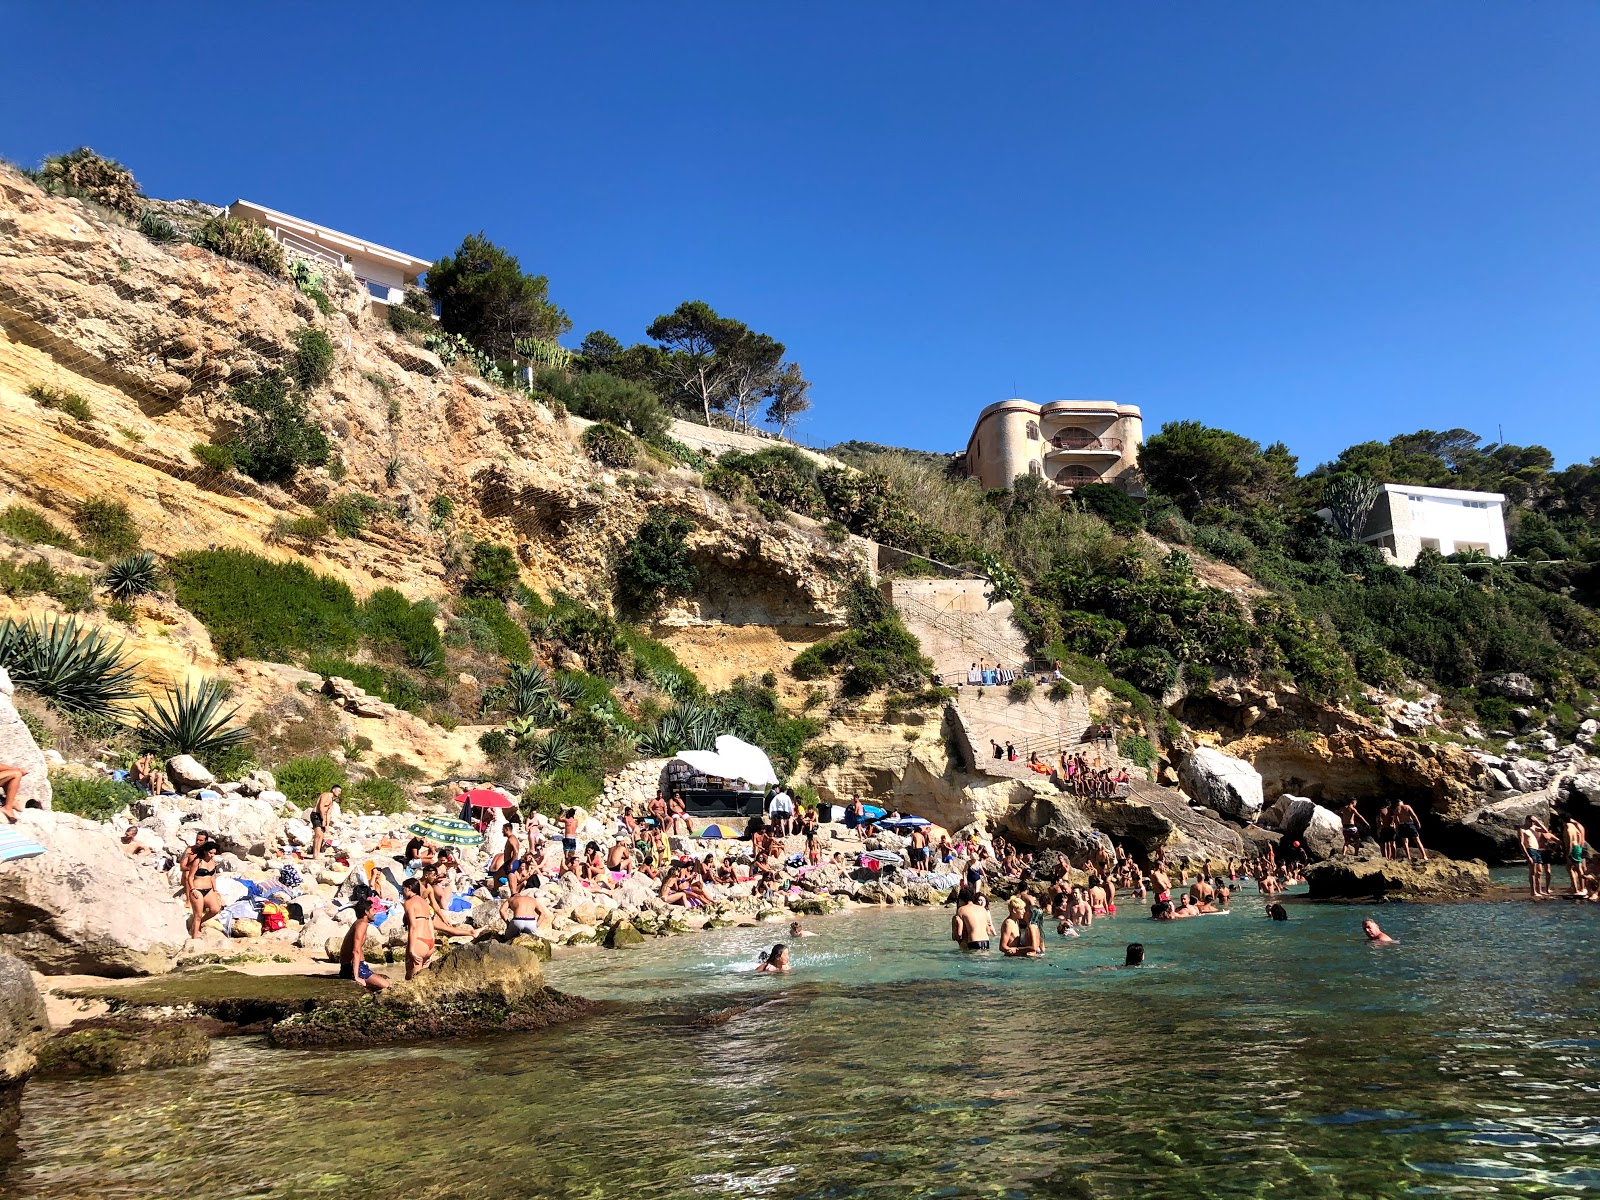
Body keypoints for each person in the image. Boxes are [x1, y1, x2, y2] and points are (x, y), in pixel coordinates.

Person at [339, 898, 390, 991]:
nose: (375, 912)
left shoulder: (359, 923)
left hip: (356, 966)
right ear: (366, 912)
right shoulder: (362, 924)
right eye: (373, 910)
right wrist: (356, 976)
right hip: (353, 967)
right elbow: (356, 951)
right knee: (387, 986)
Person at [184, 841, 223, 937]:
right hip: (197, 889)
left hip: (209, 889)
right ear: (205, 851)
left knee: (215, 909)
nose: (212, 855)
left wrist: (215, 890)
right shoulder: (198, 861)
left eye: (214, 853)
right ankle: (194, 936)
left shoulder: (213, 862)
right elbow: (190, 877)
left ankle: (198, 924)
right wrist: (192, 889)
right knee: (198, 914)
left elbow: (213, 876)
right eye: (210, 853)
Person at [401, 878, 435, 979]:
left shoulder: (409, 903)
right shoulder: (424, 902)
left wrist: (411, 950)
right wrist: (433, 944)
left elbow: (413, 926)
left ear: (409, 888)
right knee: (423, 979)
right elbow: (430, 924)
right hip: (429, 942)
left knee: (411, 979)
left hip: (418, 942)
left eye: (403, 888)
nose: (402, 892)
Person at [1520, 816, 1551, 899]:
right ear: (1526, 821)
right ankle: (1533, 891)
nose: (1532, 823)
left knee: (1539, 871)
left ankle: (1539, 890)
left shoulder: (1533, 827)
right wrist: (1527, 855)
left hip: (1537, 850)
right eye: (1531, 821)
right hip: (1530, 850)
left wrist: (1537, 821)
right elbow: (1521, 843)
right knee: (1533, 872)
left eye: (1533, 822)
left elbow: (1545, 831)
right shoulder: (1522, 829)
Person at [310, 784, 341, 859]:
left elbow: (329, 814)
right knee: (318, 834)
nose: (339, 793)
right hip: (316, 815)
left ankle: (317, 853)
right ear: (333, 790)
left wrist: (327, 825)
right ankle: (315, 854)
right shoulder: (326, 795)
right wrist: (323, 819)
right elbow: (321, 806)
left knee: (322, 836)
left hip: (322, 817)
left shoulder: (332, 801)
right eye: (339, 791)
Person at [1562, 815, 1589, 896]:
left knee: (1574, 868)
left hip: (1573, 848)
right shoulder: (1574, 826)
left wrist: (1568, 852)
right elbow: (1579, 835)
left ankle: (1579, 889)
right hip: (1577, 847)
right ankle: (1578, 888)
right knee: (1574, 868)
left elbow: (1570, 840)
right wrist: (1579, 845)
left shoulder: (1568, 828)